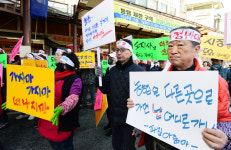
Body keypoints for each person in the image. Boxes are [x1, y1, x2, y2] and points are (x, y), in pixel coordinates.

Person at [127, 26, 231, 150]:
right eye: (170, 46)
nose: (173, 51)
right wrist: (137, 107)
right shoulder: (157, 80)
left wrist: (225, 139)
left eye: (180, 45)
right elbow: (151, 110)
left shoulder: (215, 82)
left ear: (196, 50)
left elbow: (225, 119)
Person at [96, 38, 144, 150]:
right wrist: (99, 77)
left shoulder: (139, 71)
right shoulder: (112, 70)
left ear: (131, 52)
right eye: (117, 50)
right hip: (114, 116)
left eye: (122, 50)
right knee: (116, 145)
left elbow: (144, 98)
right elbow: (106, 90)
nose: (118, 52)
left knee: (128, 146)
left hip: (130, 119)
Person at [38, 53, 82, 150]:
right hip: (49, 118)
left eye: (63, 63)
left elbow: (74, 97)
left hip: (63, 120)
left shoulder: (75, 79)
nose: (60, 65)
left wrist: (63, 107)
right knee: (54, 145)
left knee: (64, 146)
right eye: (60, 62)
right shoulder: (52, 75)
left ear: (69, 65)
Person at [104, 52, 117, 137]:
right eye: (109, 57)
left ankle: (113, 129)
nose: (110, 59)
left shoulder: (116, 69)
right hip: (108, 94)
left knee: (113, 113)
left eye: (112, 58)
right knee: (108, 111)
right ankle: (109, 123)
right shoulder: (108, 68)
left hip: (114, 95)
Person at [0, 49, 7, 129]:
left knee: (2, 102)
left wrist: (3, 81)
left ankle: (4, 120)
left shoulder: (3, 65)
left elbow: (4, 72)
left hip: (2, 86)